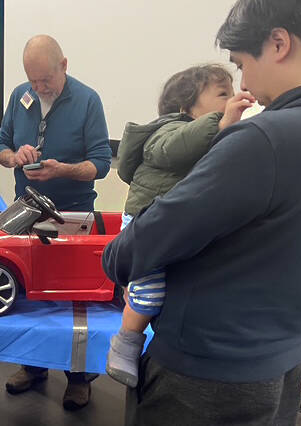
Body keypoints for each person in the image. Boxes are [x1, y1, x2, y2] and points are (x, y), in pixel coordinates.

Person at [102, 0, 301, 425]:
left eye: (242, 64)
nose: (247, 83)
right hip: (283, 355)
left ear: (279, 43)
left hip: (206, 373)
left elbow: (148, 240)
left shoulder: (266, 138)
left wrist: (116, 255)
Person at [106, 64, 255, 388]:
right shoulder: (168, 131)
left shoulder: (210, 137)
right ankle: (125, 343)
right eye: (222, 94)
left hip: (173, 225)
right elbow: (176, 149)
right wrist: (221, 121)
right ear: (184, 107)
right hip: (146, 224)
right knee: (150, 292)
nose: (231, 100)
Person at [0, 34, 112, 410]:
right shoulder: (18, 96)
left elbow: (102, 164)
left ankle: (79, 378)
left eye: (45, 79)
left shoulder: (88, 100)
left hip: (73, 214)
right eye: (32, 80)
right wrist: (14, 157)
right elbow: (0, 146)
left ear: (64, 65)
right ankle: (33, 366)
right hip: (27, 210)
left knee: (73, 297)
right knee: (30, 294)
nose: (38, 87)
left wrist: (63, 170)